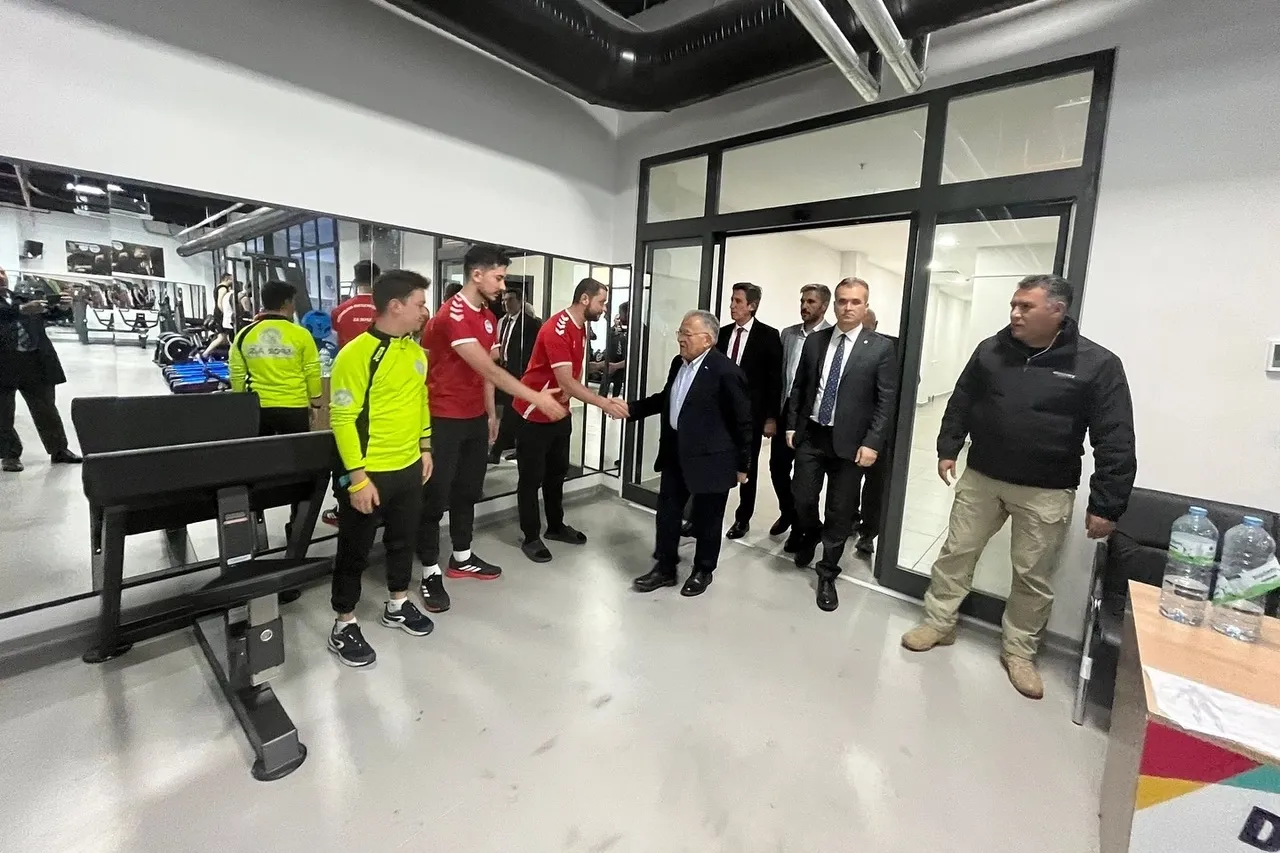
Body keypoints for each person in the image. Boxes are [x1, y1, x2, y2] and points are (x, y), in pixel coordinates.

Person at [900, 274, 1136, 700]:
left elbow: (1115, 437)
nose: (1015, 313)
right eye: (1014, 304)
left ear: (1057, 311)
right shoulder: (991, 350)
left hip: (1046, 490)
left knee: (1032, 575)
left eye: (1026, 306)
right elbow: (962, 399)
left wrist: (1107, 504)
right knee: (956, 553)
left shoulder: (1097, 364)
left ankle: (1019, 651)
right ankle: (938, 623)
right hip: (983, 477)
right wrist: (948, 446)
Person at [416, 244, 566, 613]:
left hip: (472, 418)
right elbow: (490, 370)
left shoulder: (486, 317)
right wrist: (536, 397)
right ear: (476, 274)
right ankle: (429, 571)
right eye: (498, 278)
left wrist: (490, 415)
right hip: (442, 417)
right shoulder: (452, 314)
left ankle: (462, 557)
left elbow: (486, 372)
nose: (502, 286)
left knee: (467, 491)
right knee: (436, 497)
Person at [327, 270, 436, 667]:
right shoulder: (355, 354)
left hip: (408, 466)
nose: (425, 311)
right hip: (368, 472)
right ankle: (343, 622)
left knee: (402, 541)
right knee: (354, 551)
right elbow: (342, 419)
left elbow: (420, 402)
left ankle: (397, 604)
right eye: (419, 304)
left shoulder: (416, 353)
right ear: (395, 306)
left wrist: (425, 447)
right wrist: (357, 480)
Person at [785, 278, 897, 613]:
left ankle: (827, 572)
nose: (848, 307)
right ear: (834, 304)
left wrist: (872, 443)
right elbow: (800, 387)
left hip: (851, 444)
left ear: (865, 306)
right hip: (812, 435)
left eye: (855, 302)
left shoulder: (880, 348)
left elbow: (885, 402)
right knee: (802, 496)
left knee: (840, 509)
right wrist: (792, 424)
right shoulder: (816, 341)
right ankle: (810, 533)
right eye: (842, 301)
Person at [629, 310, 751, 598]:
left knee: (708, 519)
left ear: (707, 339)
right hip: (676, 452)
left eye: (686, 333)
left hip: (712, 459)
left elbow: (743, 422)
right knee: (668, 513)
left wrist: (743, 465)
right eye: (680, 332)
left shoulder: (726, 372)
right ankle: (665, 568)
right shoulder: (678, 364)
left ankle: (703, 570)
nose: (680, 339)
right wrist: (631, 409)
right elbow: (668, 398)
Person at [516, 278, 628, 562]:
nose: (604, 308)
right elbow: (566, 380)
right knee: (531, 478)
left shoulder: (581, 328)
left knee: (556, 473)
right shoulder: (558, 328)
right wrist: (603, 402)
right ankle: (531, 536)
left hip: (560, 411)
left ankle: (555, 526)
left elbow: (572, 373)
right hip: (535, 411)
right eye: (602, 302)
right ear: (585, 299)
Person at [229, 279, 322, 537]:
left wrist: (241, 405)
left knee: (256, 465)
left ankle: (254, 515)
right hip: (294, 409)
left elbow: (236, 373)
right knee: (300, 468)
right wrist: (315, 403)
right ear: (286, 303)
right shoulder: (301, 335)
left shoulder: (245, 334)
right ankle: (296, 525)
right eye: (293, 302)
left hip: (258, 410)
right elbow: (312, 371)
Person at [715, 283, 782, 540]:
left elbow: (774, 381)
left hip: (750, 416)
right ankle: (706, 515)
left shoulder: (768, 336)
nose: (732, 305)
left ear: (752, 306)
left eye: (738, 301)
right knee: (715, 463)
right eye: (732, 300)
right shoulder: (722, 334)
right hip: (720, 413)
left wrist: (770, 417)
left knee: (748, 468)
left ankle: (743, 519)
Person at [0, 267, 81, 472]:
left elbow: (47, 315)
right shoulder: (21, 305)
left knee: (46, 409)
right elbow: (7, 314)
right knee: (3, 413)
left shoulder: (22, 297)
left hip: (35, 361)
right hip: (4, 364)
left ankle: (59, 449)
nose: (1, 277)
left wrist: (63, 308)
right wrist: (22, 310)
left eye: (2, 272)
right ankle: (10, 455)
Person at [771, 284, 831, 544]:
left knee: (803, 477)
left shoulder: (829, 337)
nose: (805, 306)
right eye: (803, 301)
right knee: (777, 468)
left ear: (824, 306)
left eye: (811, 302)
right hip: (786, 409)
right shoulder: (789, 334)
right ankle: (788, 511)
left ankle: (800, 528)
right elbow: (779, 375)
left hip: (809, 416)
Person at [853, 307, 896, 557]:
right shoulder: (847, 346)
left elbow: (909, 382)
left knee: (875, 484)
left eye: (867, 327)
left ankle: (868, 533)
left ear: (876, 325)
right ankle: (849, 519)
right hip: (850, 428)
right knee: (847, 481)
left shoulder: (891, 348)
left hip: (879, 430)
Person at [489, 288, 540, 464]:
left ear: (520, 301)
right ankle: (518, 448)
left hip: (519, 374)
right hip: (503, 371)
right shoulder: (502, 321)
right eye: (503, 300)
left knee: (511, 412)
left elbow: (534, 351)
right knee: (510, 412)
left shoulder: (530, 324)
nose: (505, 303)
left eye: (509, 300)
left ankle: (496, 451)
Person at [330, 260, 382, 349]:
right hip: (381, 356)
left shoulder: (339, 312)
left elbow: (334, 337)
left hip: (348, 357)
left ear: (355, 282)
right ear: (378, 280)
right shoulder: (387, 310)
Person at [201, 273, 237, 359]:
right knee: (223, 337)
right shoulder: (223, 288)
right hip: (221, 314)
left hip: (220, 314)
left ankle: (206, 354)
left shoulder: (219, 287)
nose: (233, 281)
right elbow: (220, 303)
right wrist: (225, 314)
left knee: (226, 337)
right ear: (227, 279)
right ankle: (205, 354)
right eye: (231, 279)